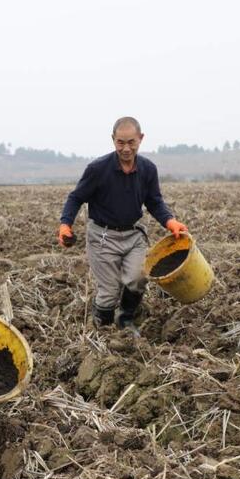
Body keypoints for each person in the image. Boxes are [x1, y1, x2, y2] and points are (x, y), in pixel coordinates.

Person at [58, 117, 188, 334]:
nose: (126, 148)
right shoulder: (98, 169)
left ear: (140, 139)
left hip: (132, 235)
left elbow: (154, 201)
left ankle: (126, 319)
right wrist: (65, 224)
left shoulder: (147, 169)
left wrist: (169, 221)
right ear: (113, 140)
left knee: (138, 279)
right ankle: (103, 332)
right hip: (102, 237)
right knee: (109, 292)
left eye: (131, 142)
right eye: (120, 142)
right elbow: (76, 197)